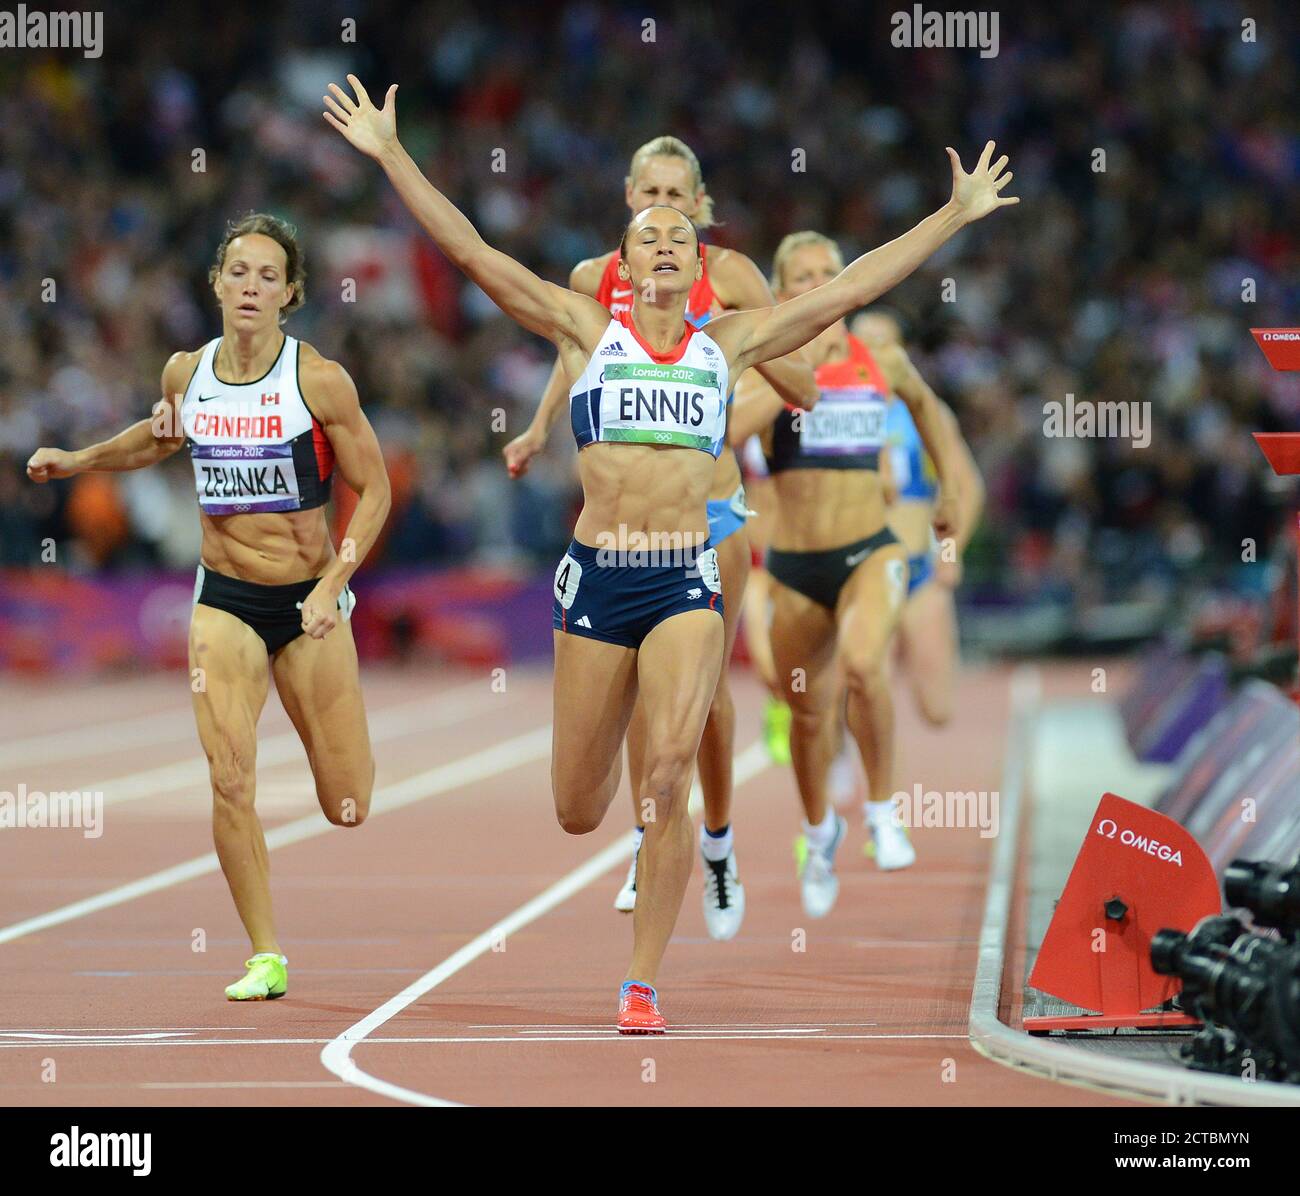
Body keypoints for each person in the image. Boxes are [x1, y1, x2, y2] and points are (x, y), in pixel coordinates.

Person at [325, 72, 1016, 1028]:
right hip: (600, 575)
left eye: (678, 235)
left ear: (700, 265)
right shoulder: (585, 326)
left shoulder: (728, 343)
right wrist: (392, 154)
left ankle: (642, 982)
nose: (661, 239)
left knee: (666, 776)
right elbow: (476, 255)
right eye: (645, 231)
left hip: (687, 577)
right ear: (625, 253)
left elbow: (853, 286)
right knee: (577, 803)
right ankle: (630, 819)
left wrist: (954, 214)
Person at [27, 212, 391, 999]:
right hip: (223, 599)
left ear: (290, 292)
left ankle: (336, 760)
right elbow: (156, 440)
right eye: (238, 272)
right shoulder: (184, 374)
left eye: (268, 275)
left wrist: (335, 584)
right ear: (217, 284)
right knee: (230, 780)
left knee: (349, 802)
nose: (251, 287)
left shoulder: (318, 379)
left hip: (308, 601)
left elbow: (377, 489)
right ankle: (266, 955)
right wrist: (78, 460)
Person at [503, 136, 818, 939]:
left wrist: (730, 357)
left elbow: (802, 384)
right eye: (653, 193)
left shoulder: (732, 277)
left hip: (710, 511)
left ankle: (710, 840)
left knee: (703, 698)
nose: (667, 207)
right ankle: (654, 835)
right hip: (617, 525)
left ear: (700, 206)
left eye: (681, 196)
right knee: (636, 697)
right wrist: (540, 429)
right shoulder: (591, 281)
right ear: (629, 198)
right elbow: (575, 359)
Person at [728, 231, 965, 914]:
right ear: (780, 289)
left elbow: (929, 412)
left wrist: (948, 488)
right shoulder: (759, 363)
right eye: (801, 277)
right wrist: (789, 377)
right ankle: (818, 828)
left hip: (872, 551)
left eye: (830, 272)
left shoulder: (881, 359)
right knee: (808, 716)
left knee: (865, 666)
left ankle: (884, 812)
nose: (819, 284)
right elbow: (730, 428)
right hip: (797, 566)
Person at [852, 309, 985, 733]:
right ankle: (856, 784)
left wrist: (950, 551)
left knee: (937, 709)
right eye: (864, 342)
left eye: (883, 342)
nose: (873, 352)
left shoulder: (927, 412)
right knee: (868, 687)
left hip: (920, 569)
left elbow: (968, 487)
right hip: (865, 568)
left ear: (901, 352)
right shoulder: (833, 408)